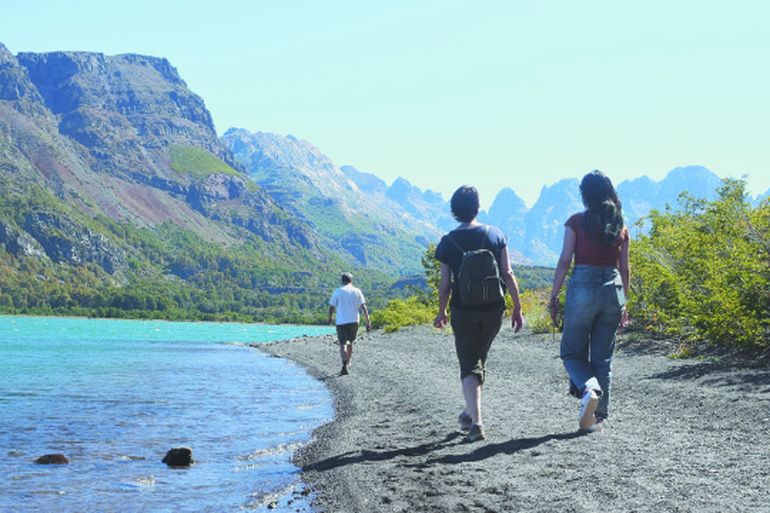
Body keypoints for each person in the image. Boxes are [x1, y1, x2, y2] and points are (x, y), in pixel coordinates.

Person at [433, 185, 524, 443]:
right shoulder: (496, 234)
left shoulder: (447, 242)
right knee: (478, 360)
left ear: (453, 210)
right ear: (478, 207)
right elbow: (508, 274)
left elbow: (445, 284)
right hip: (494, 309)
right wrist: (517, 307)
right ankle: (467, 411)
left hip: (463, 311)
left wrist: (441, 312)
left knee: (469, 364)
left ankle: (477, 423)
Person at [548, 170, 630, 432]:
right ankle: (599, 416)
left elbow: (564, 261)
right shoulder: (621, 227)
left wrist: (553, 296)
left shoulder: (575, 222)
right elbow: (625, 269)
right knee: (603, 358)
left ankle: (589, 389)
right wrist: (624, 303)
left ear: (585, 195)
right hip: (613, 289)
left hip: (583, 285)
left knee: (571, 351)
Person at [328, 272, 371, 376]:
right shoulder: (357, 291)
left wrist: (329, 317)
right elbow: (363, 307)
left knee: (343, 344)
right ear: (351, 280)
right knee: (350, 342)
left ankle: (344, 364)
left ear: (342, 281)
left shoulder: (337, 291)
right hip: (354, 321)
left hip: (341, 321)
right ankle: (348, 362)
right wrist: (368, 321)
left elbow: (331, 306)